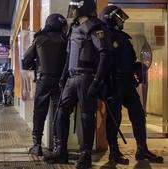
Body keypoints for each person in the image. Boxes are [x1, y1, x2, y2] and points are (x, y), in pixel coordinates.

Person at [44, 1, 112, 168]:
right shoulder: (74, 28)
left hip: (87, 77)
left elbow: (105, 53)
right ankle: (61, 151)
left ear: (84, 7)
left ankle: (86, 155)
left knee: (87, 117)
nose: (73, 9)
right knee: (61, 113)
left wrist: (97, 81)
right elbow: (69, 56)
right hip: (71, 78)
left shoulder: (96, 27)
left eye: (76, 5)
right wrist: (63, 76)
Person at [99, 5, 163, 164]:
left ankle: (142, 150)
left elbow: (129, 60)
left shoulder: (122, 37)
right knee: (115, 117)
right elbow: (103, 61)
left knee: (138, 114)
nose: (121, 21)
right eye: (118, 17)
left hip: (127, 83)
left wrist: (138, 70)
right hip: (114, 82)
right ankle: (114, 152)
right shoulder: (104, 36)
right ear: (110, 18)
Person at [22, 13, 68, 157]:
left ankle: (37, 146)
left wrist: (36, 63)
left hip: (43, 81)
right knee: (59, 114)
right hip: (60, 82)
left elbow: (25, 61)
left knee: (39, 113)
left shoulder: (39, 39)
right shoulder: (65, 40)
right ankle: (58, 147)